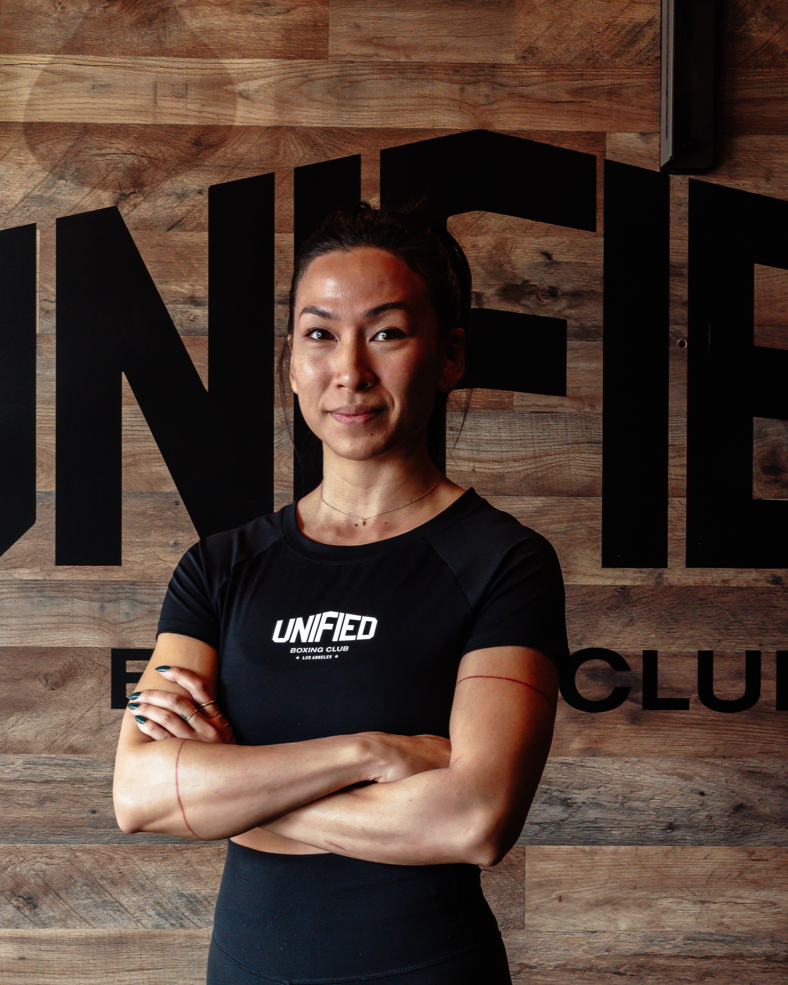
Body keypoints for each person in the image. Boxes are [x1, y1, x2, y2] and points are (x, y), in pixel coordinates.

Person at [113, 202, 570, 985]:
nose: (350, 371)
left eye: (387, 332)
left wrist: (237, 788)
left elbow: (473, 818)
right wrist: (373, 754)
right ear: (291, 359)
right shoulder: (218, 568)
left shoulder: (503, 561)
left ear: (450, 354)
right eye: (320, 334)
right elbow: (141, 792)